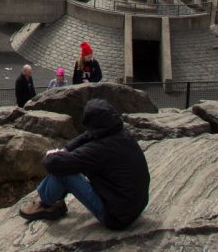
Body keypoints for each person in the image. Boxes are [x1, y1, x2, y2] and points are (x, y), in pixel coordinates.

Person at [18, 98, 150, 228]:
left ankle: (45, 204)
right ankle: (53, 198)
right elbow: (88, 135)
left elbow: (52, 164)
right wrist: (65, 149)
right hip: (132, 207)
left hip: (115, 217)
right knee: (67, 162)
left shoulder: (99, 149)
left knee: (63, 171)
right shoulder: (120, 133)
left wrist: (52, 154)